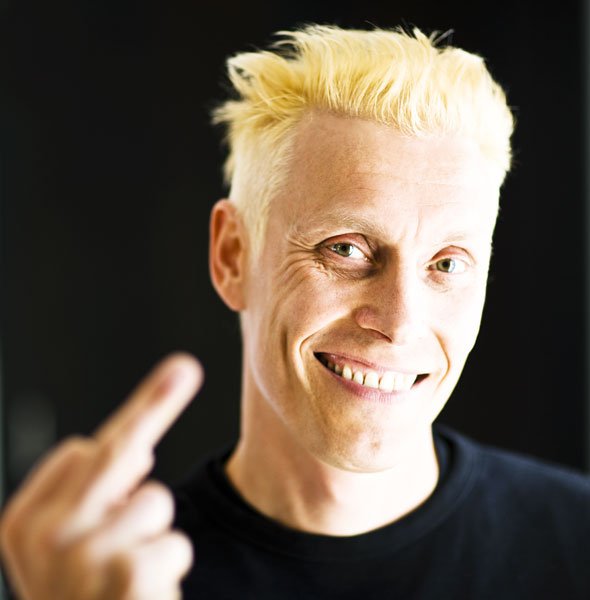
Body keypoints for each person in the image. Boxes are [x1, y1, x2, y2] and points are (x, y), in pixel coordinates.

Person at [1, 23, 589, 600]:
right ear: (233, 256)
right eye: (347, 250)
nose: (400, 322)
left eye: (448, 264)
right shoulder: (103, 583)